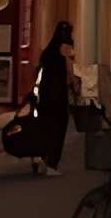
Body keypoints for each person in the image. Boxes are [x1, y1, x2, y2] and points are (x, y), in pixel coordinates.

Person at [29, 22, 77, 176]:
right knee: (58, 128)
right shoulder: (65, 49)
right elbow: (70, 72)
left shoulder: (47, 51)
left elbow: (38, 70)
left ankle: (42, 157)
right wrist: (76, 88)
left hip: (45, 94)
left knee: (45, 126)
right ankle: (52, 164)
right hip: (59, 96)